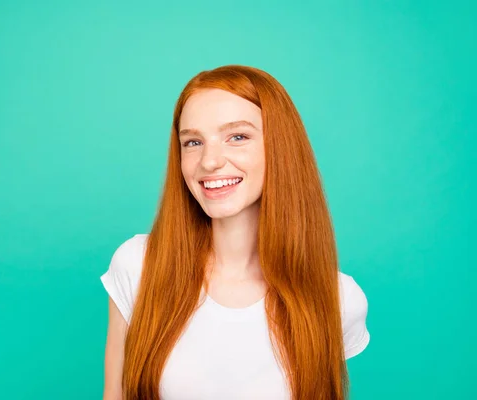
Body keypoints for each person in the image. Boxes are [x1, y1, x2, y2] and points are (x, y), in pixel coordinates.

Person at [100, 65, 370, 400]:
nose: (209, 161)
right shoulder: (138, 265)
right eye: (193, 142)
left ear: (280, 147)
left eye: (237, 137)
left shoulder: (339, 299)